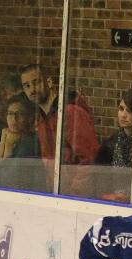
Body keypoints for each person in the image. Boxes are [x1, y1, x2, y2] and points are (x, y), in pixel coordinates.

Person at [19, 63, 100, 196]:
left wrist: (73, 193)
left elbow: (88, 158)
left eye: (36, 82)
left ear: (49, 82)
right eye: (26, 86)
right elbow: (49, 162)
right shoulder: (41, 120)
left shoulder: (70, 112)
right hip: (57, 194)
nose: (32, 89)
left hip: (75, 197)